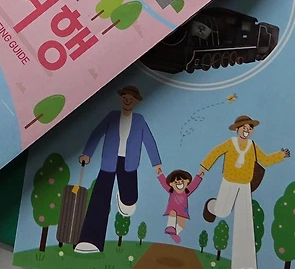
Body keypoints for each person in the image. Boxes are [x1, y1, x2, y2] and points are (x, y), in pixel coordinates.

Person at [199, 115, 290, 269]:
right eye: (244, 127)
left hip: (245, 184)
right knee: (222, 211)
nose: (247, 130)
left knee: (245, 221)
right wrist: (204, 167)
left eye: (250, 128)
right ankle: (211, 206)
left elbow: (265, 160)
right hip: (229, 182)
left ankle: (244, 266)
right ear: (237, 129)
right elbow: (215, 152)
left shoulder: (253, 146)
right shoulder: (230, 143)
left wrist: (281, 155)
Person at [74, 86, 162, 254]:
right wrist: (87, 154)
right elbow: (97, 132)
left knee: (129, 199)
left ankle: (125, 200)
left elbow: (149, 141)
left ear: (136, 102)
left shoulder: (139, 120)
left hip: (130, 163)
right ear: (121, 99)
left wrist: (156, 163)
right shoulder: (112, 116)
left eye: (131, 99)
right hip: (109, 161)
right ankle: (90, 241)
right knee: (99, 198)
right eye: (125, 98)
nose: (127, 101)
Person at [157, 168, 204, 243]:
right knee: (173, 212)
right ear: (171, 184)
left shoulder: (187, 191)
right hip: (173, 208)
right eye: (176, 182)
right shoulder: (171, 191)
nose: (179, 183)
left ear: (187, 181)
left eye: (182, 181)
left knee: (182, 225)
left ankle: (175, 233)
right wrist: (160, 174)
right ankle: (170, 227)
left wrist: (199, 177)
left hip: (182, 211)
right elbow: (164, 183)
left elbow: (194, 185)